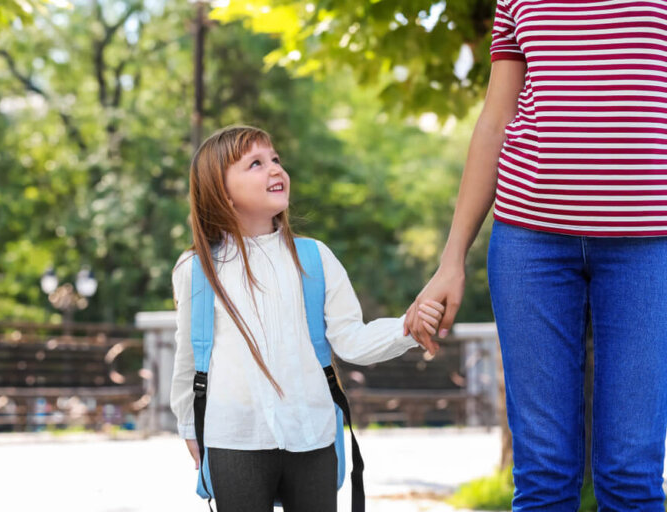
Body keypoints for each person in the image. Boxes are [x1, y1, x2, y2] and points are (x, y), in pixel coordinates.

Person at [406, 1, 667, 510]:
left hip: (648, 244)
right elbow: (497, 117)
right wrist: (452, 258)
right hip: (531, 244)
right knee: (543, 473)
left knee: (632, 472)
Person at [170, 125, 444, 512]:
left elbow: (351, 339)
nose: (275, 169)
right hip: (233, 437)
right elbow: (188, 360)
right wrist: (188, 427)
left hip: (312, 435)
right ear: (222, 192)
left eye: (276, 159)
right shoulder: (197, 269)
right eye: (256, 164)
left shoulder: (315, 258)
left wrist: (406, 327)